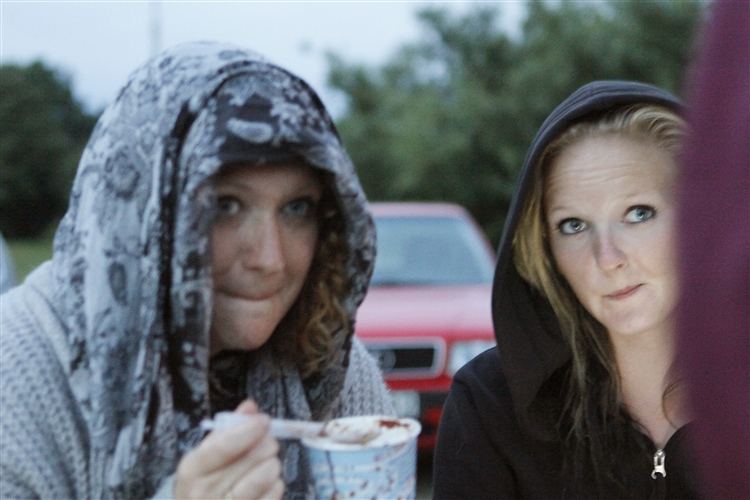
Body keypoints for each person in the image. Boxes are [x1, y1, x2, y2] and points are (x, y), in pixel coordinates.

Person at [0, 41, 394, 500]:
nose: (270, 259)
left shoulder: (330, 367)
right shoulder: (17, 370)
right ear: (145, 204)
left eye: (297, 208)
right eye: (224, 205)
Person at [433, 80, 700, 499]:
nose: (607, 257)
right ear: (545, 248)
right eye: (573, 226)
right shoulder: (489, 404)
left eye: (638, 214)